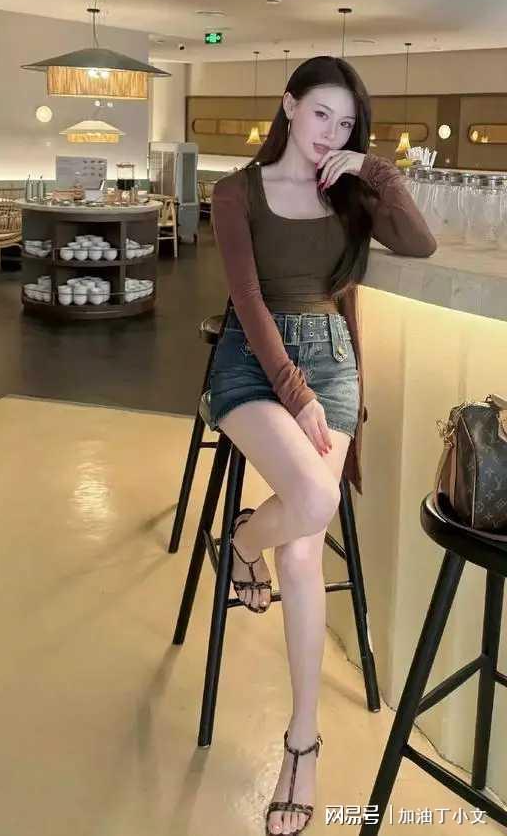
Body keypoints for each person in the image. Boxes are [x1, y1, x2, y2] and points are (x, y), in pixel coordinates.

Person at [207, 56, 437, 836]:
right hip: (252, 361)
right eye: (320, 116)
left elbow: (421, 244)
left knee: (303, 548)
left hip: (333, 362)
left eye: (346, 124)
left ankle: (301, 742)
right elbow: (247, 298)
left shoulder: (350, 190)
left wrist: (374, 168)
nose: (330, 135)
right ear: (288, 106)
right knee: (311, 499)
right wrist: (293, 392)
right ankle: (243, 541)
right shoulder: (235, 193)